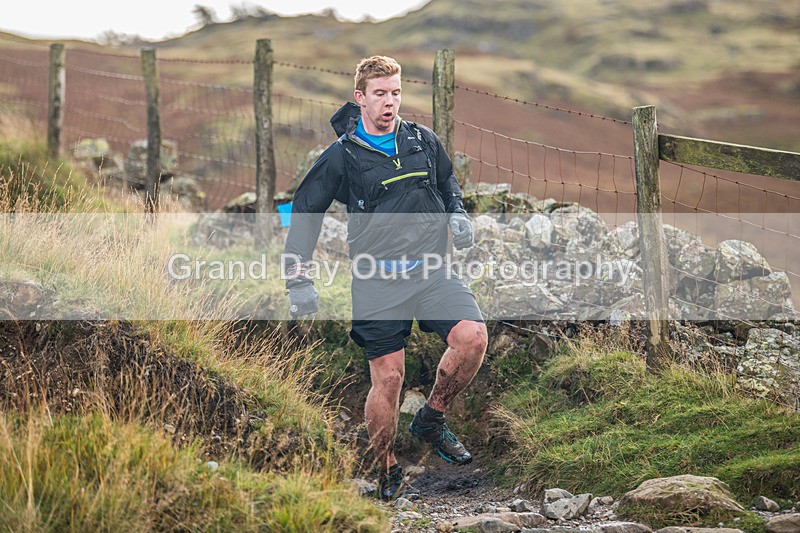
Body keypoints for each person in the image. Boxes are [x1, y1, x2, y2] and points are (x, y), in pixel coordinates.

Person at [282, 55, 487, 500]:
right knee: (389, 379)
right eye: (380, 94)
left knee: (473, 338)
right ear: (360, 98)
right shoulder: (342, 156)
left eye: (395, 92)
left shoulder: (422, 140)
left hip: (431, 271)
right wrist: (298, 279)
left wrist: (457, 214)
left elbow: (447, 182)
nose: (389, 102)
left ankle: (431, 418)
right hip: (376, 279)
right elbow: (305, 211)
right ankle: (387, 466)